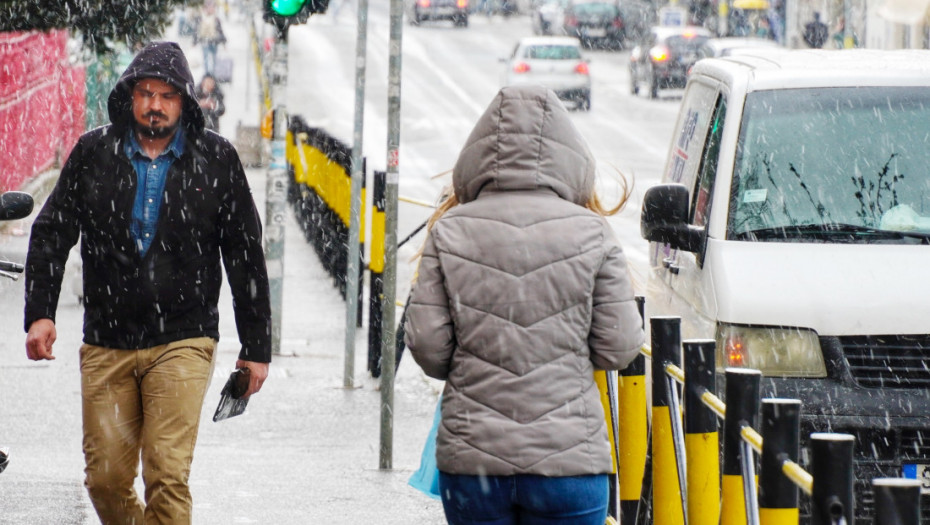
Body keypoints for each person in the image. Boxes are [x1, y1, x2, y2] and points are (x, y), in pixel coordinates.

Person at [23, 41, 271, 524]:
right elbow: (52, 231)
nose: (155, 105)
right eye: (145, 93)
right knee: (106, 480)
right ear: (129, 97)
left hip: (184, 337)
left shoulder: (216, 158)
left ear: (184, 102)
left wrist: (256, 345)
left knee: (167, 473)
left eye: (167, 95)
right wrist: (41, 312)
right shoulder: (95, 152)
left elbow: (244, 252)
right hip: (108, 339)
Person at [404, 85, 645, 525]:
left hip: (473, 463)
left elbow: (426, 346)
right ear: (569, 156)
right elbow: (620, 345)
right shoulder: (592, 232)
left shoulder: (450, 231)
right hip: (569, 462)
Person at [195, 2, 226, 75]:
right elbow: (197, 30)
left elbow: (220, 30)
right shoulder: (202, 18)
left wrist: (224, 42)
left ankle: (212, 74)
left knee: (213, 58)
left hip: (214, 41)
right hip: (205, 41)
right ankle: (207, 74)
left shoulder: (216, 19)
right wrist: (194, 42)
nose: (210, 9)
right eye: (209, 7)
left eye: (212, 8)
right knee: (206, 57)